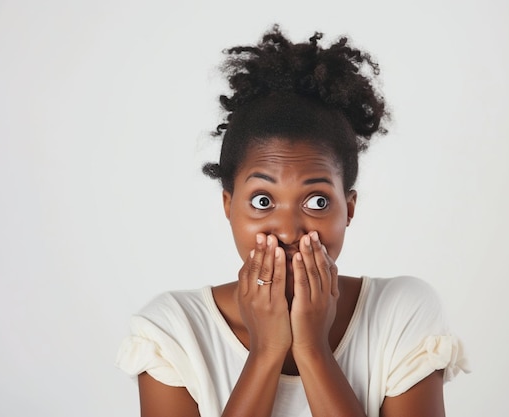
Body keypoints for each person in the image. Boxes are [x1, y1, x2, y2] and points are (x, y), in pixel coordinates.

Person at [115, 24, 469, 417]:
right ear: (228, 205)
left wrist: (312, 349)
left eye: (317, 201)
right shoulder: (173, 331)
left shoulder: (402, 311)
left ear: (348, 208)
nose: (287, 230)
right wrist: (266, 352)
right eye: (263, 200)